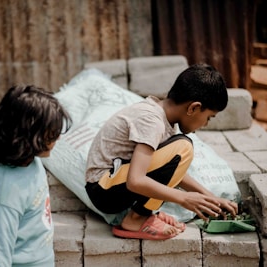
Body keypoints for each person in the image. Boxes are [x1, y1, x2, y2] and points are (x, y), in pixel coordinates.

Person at [85, 64, 238, 240]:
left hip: (111, 185)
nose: (205, 124)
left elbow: (169, 170)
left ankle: (145, 215)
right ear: (194, 108)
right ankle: (135, 219)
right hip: (103, 189)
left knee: (180, 152)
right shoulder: (152, 120)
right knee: (184, 148)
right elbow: (136, 181)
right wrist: (184, 198)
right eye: (209, 118)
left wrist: (211, 198)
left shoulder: (163, 120)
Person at [0, 85, 72, 266]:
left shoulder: (32, 162)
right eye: (52, 134)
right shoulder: (6, 193)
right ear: (30, 136)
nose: (57, 138)